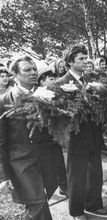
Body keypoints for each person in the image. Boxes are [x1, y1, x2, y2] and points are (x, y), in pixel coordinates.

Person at [0, 55, 58, 219]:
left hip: (45, 160)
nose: (33, 73)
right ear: (15, 75)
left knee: (41, 201)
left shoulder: (45, 96)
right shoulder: (4, 101)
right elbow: (1, 142)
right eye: (27, 70)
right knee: (37, 204)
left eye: (34, 69)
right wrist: (4, 176)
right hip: (21, 163)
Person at [55, 45, 107, 220]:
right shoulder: (61, 83)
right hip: (75, 137)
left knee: (95, 173)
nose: (85, 61)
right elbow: (59, 113)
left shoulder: (89, 80)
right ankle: (76, 211)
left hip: (93, 133)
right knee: (76, 176)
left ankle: (94, 204)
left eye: (86, 58)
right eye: (81, 59)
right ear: (70, 62)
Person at [38, 66, 68, 196]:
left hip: (55, 134)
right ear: (42, 82)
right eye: (51, 79)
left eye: (55, 78)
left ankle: (63, 186)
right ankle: (48, 188)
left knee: (60, 161)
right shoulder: (38, 94)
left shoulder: (57, 93)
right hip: (43, 136)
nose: (54, 81)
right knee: (47, 164)